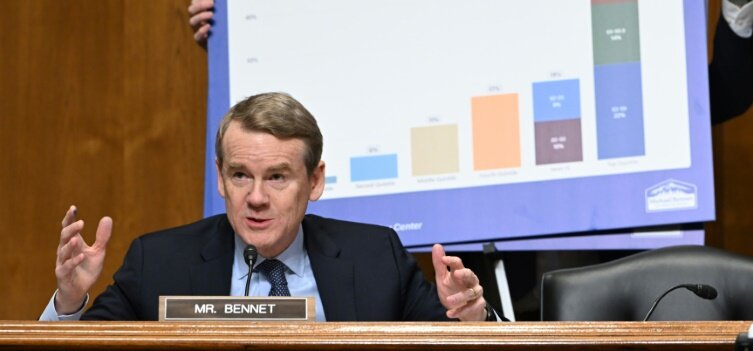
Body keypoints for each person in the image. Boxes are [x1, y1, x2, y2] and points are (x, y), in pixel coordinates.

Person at [189, 0, 753, 125]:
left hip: (610, 254)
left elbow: (725, 99)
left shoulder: (602, 30)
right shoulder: (443, 20)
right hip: (454, 267)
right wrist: (238, 33)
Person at [42, 92, 498, 321]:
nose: (255, 197)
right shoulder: (160, 261)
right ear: (220, 178)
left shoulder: (375, 256)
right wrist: (69, 300)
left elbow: (452, 338)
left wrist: (472, 317)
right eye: (240, 175)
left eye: (277, 177)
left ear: (314, 180)